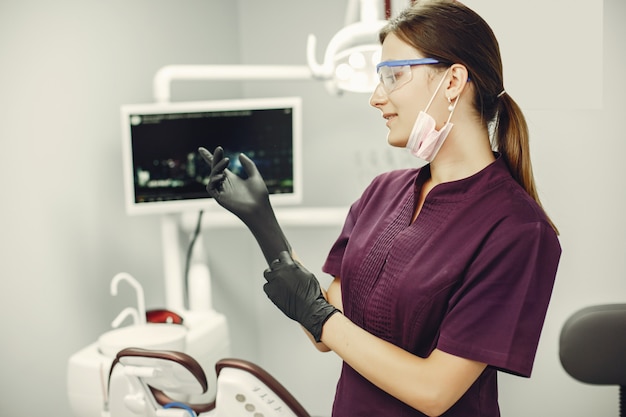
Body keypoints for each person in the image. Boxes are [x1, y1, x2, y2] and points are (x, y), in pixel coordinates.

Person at [198, 1, 561, 415]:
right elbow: (323, 331)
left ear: (453, 80)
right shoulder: (381, 193)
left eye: (392, 76)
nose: (376, 97)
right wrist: (263, 222)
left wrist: (320, 316)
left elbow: (435, 392)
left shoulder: (517, 230)